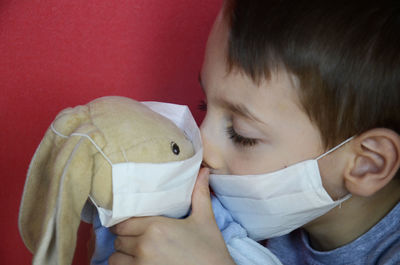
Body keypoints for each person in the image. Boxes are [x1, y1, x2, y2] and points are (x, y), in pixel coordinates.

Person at [109, 0, 400, 264]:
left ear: (367, 164)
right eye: (203, 105)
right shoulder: (242, 225)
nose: (202, 146)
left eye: (241, 133)